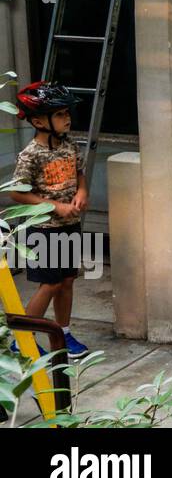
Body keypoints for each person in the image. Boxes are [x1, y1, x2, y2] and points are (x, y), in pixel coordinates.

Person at [8, 82, 90, 357]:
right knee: (51, 283)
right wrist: (55, 206)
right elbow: (18, 195)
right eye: (60, 114)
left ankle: (62, 333)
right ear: (38, 121)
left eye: (67, 113)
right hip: (44, 229)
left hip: (69, 225)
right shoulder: (30, 155)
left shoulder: (70, 145)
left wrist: (81, 192)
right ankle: (22, 339)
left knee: (67, 280)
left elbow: (80, 174)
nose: (67, 118)